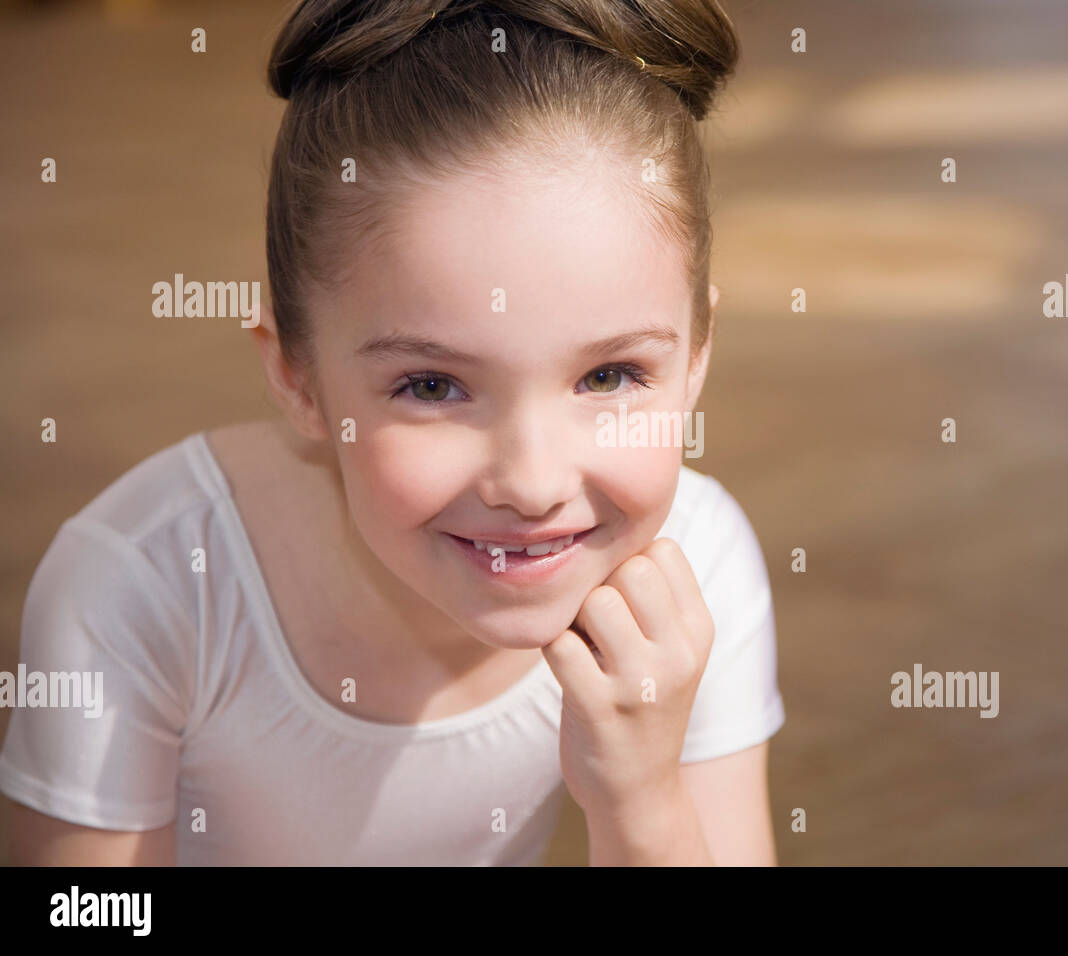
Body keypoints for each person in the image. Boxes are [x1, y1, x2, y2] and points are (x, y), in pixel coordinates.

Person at [0, 0, 785, 865]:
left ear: (698, 358)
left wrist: (640, 795)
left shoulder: (696, 568)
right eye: (434, 385)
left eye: (608, 376)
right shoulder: (147, 589)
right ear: (296, 376)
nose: (530, 483)